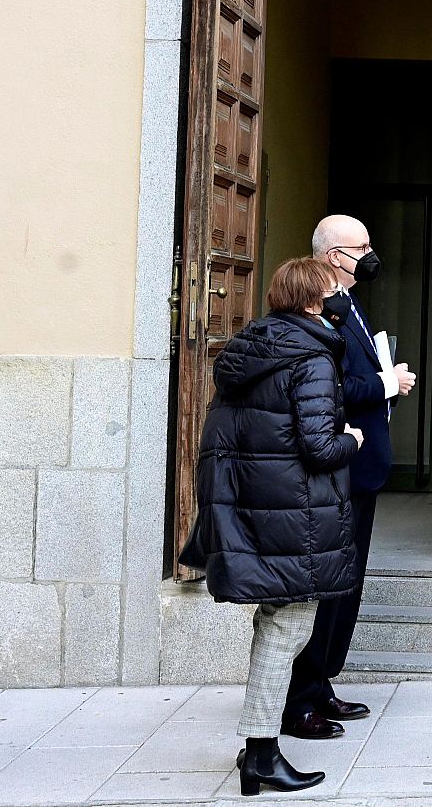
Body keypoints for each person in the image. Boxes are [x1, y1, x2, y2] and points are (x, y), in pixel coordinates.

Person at [178, 257, 364, 796]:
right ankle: (260, 752)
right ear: (312, 300)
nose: (335, 300)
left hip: (256, 511)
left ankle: (258, 748)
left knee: (275, 625)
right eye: (330, 291)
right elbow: (318, 445)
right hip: (295, 517)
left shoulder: (251, 348)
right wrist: (351, 439)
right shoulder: (311, 356)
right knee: (286, 630)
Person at [282, 215, 416, 739]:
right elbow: (331, 386)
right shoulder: (317, 310)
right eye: (362, 246)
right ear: (335, 254)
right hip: (339, 468)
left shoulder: (347, 301)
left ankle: (321, 683)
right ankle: (300, 698)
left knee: (348, 584)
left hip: (361, 469)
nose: (370, 254)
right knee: (329, 584)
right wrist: (386, 381)